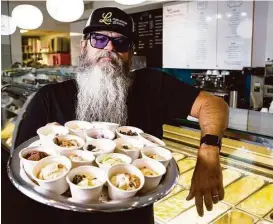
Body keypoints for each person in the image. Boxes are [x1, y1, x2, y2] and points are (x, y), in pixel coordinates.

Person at [14, 7, 229, 224]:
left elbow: (213, 105)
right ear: (83, 45)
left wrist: (209, 154)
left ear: (131, 52)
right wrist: (49, 147)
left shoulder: (152, 86)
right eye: (98, 39)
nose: (109, 48)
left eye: (121, 42)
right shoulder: (48, 98)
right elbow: (23, 169)